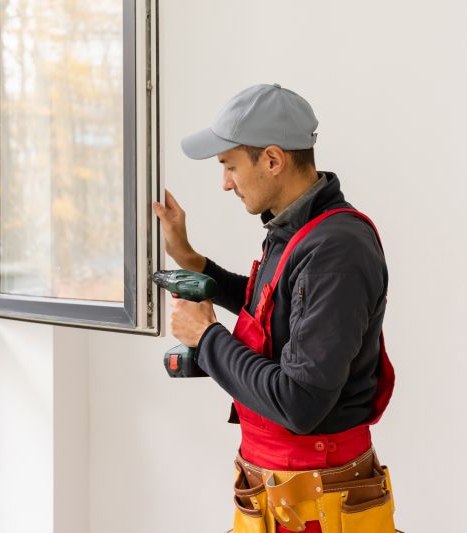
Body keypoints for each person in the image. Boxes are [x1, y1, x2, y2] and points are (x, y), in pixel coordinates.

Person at [153, 84, 398, 533]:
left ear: (272, 160)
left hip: (319, 506)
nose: (225, 182)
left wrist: (207, 337)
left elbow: (298, 401)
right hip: (275, 493)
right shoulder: (296, 231)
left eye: (229, 166)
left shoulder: (337, 251)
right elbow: (276, 308)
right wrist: (191, 259)